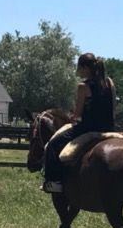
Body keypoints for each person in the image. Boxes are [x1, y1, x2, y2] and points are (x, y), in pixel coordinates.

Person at [41, 53, 116, 193]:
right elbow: (113, 108)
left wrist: (72, 117)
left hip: (88, 128)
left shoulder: (83, 86)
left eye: (79, 68)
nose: (78, 72)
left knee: (52, 145)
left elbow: (78, 115)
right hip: (109, 128)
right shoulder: (109, 83)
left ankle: (54, 182)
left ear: (85, 68)